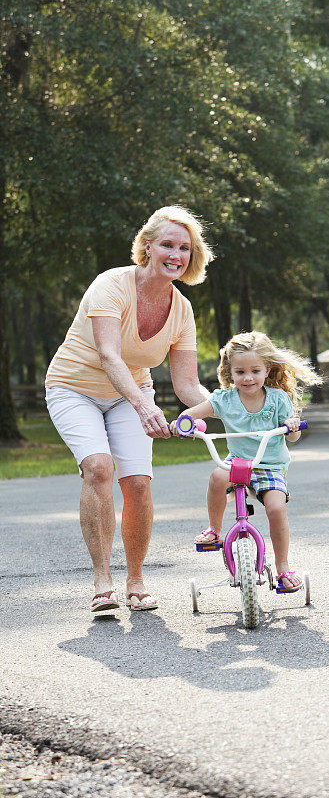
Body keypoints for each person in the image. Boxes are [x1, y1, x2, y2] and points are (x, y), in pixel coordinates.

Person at [45, 205, 213, 612]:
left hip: (129, 394)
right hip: (74, 389)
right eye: (167, 245)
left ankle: (136, 580)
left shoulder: (182, 310)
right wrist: (146, 408)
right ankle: (103, 582)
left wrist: (231, 408)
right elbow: (108, 354)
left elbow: (187, 385)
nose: (176, 255)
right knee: (99, 467)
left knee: (137, 483)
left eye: (185, 248)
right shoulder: (112, 285)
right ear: (147, 247)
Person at [170, 331, 322, 592]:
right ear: (230, 371)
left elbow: (294, 437)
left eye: (255, 370)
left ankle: (283, 567)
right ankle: (214, 530)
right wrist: (182, 424)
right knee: (218, 476)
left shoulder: (277, 399)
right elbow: (191, 414)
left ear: (267, 370)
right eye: (240, 372)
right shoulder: (224, 400)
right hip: (238, 463)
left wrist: (291, 426)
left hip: (270, 466)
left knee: (276, 509)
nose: (248, 377)